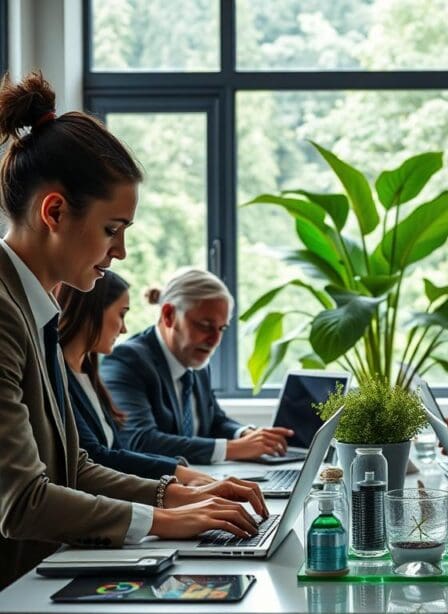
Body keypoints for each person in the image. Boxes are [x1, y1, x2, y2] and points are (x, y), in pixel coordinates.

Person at [0, 72, 269, 588]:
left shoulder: (37, 309)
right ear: (54, 211)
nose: (119, 253)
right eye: (111, 229)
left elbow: (72, 467)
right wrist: (166, 521)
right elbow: (23, 502)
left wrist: (178, 494)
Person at [101, 268, 293, 464]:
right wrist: (233, 448)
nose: (215, 340)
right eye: (205, 325)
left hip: (200, 482)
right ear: (169, 315)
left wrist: (246, 434)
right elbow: (139, 441)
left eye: (221, 328)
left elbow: (214, 421)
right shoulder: (126, 361)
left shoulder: (196, 359)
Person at [57, 270, 214, 484]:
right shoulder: (58, 375)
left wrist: (178, 468)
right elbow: (95, 457)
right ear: (92, 310)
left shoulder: (88, 373)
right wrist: (177, 472)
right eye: (121, 314)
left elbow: (116, 450)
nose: (124, 329)